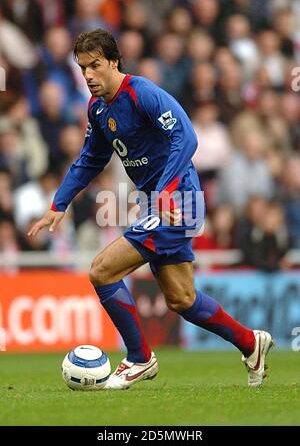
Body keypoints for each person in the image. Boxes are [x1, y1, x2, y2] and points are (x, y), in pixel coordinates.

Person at [28, 28, 274, 390]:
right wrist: (58, 203)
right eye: (82, 69)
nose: (89, 76)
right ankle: (251, 344)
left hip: (178, 200)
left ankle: (139, 358)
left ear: (114, 61)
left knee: (101, 271)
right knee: (181, 299)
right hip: (160, 203)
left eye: (95, 65)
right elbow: (90, 159)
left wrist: (163, 192)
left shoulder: (142, 93)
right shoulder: (98, 109)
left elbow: (186, 136)